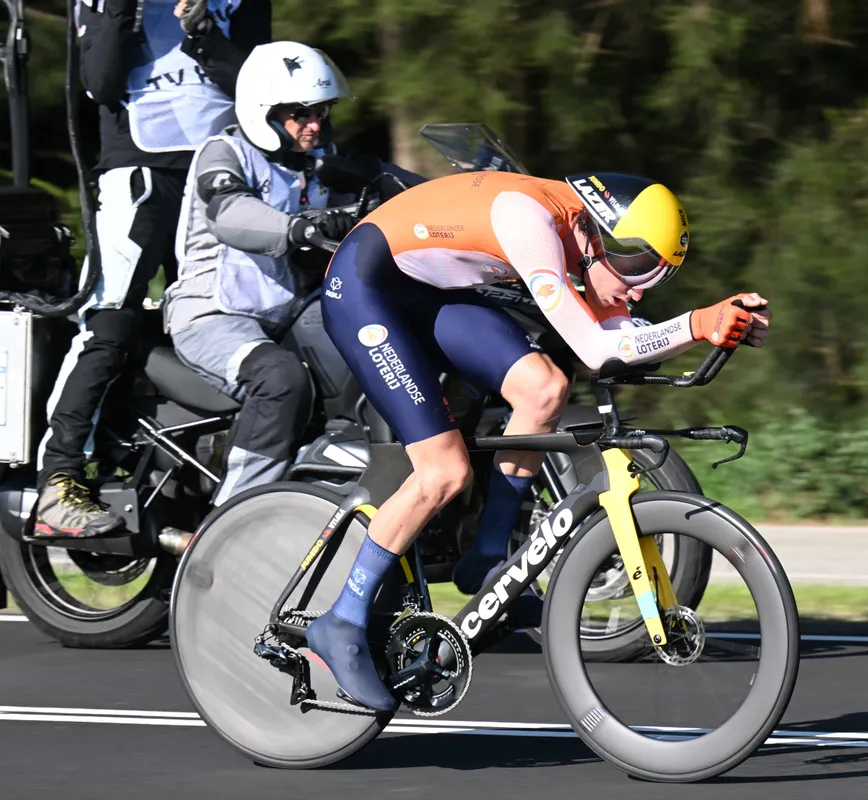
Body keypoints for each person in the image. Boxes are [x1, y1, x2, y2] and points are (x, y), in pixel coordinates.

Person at [308, 168, 772, 711]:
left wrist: (719, 326)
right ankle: (340, 622)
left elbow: (622, 339)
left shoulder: (583, 240)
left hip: (421, 292)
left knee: (545, 388)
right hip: (364, 289)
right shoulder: (529, 221)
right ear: (595, 233)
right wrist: (695, 322)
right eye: (638, 265)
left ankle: (487, 559)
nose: (639, 287)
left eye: (658, 276)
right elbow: (599, 351)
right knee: (445, 471)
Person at [34, 0, 271, 538]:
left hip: (219, 175)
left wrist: (204, 31)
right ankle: (60, 477)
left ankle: (208, 476)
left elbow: (259, 89)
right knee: (111, 319)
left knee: (230, 318)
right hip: (141, 172)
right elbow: (99, 81)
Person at [162, 40, 422, 508]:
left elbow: (392, 182)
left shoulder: (317, 164)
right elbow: (229, 212)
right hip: (212, 315)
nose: (315, 124)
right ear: (264, 113)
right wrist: (297, 227)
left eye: (320, 112)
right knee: (282, 381)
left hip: (286, 316)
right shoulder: (224, 154)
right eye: (300, 114)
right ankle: (231, 517)